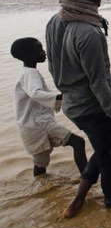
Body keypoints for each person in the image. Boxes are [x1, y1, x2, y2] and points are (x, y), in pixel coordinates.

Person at [45, 0, 111, 218]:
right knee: (110, 163)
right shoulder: (89, 32)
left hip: (72, 105)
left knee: (103, 148)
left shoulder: (54, 21)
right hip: (93, 107)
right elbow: (99, 84)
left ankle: (78, 199)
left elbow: (53, 66)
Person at [11, 37, 87, 177]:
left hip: (33, 125)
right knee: (77, 143)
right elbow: (36, 93)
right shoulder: (30, 73)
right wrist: (60, 97)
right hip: (38, 124)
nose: (43, 52)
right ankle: (88, 178)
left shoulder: (27, 73)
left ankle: (43, 189)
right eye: (39, 49)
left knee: (40, 164)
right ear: (28, 56)